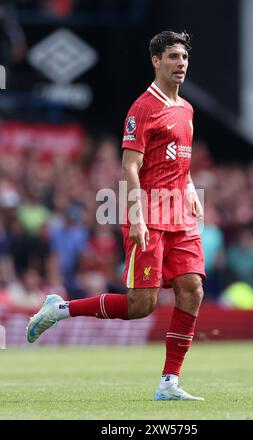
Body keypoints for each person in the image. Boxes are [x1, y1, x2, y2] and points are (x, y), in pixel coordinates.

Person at [26, 31, 206, 401]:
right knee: (142, 305)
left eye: (184, 57)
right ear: (155, 61)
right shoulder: (142, 109)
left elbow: (180, 162)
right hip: (150, 216)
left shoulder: (186, 109)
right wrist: (137, 218)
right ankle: (60, 309)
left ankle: (169, 382)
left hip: (180, 218)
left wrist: (188, 189)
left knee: (193, 289)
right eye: (173, 57)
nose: (181, 64)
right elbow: (130, 169)